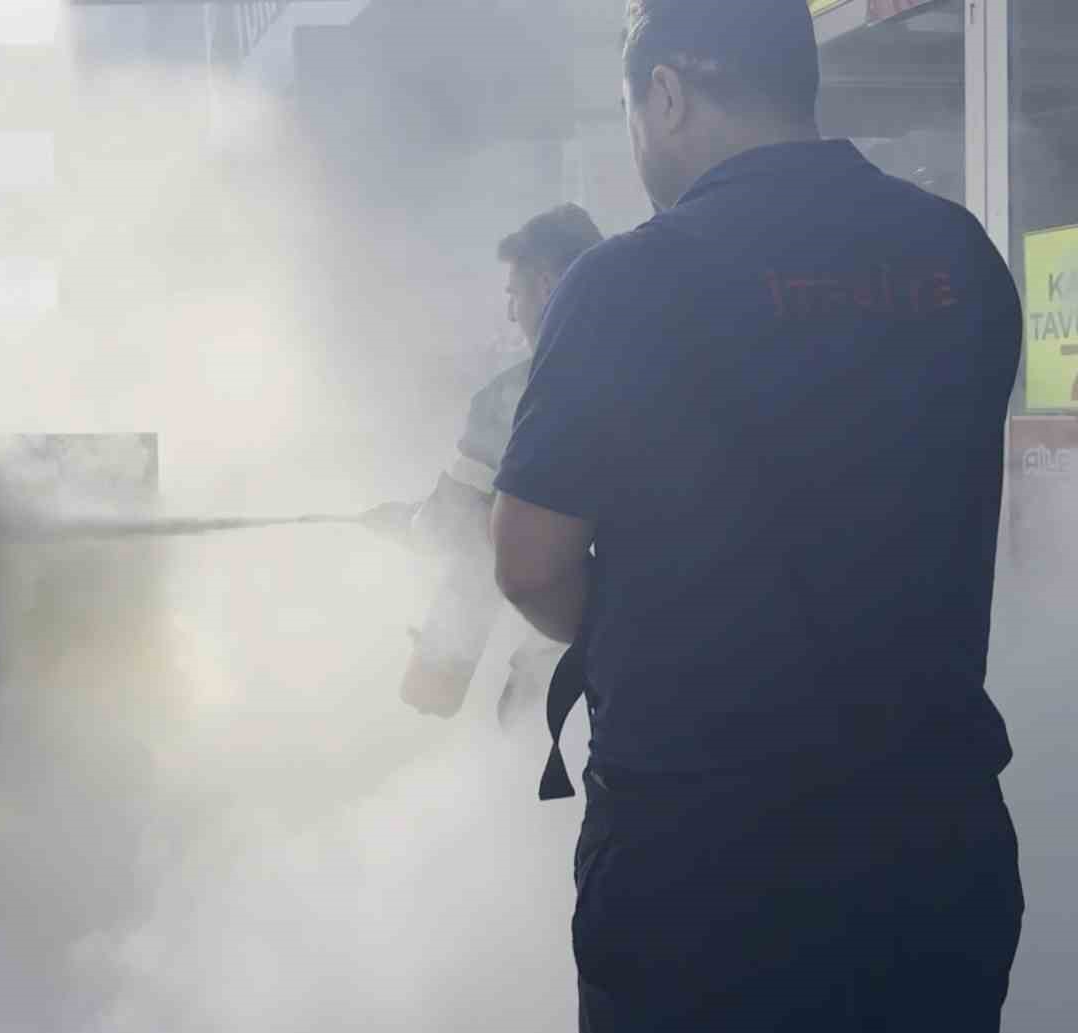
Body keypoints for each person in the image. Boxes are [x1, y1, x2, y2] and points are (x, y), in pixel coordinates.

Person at [490, 1, 1024, 1029]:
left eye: (633, 111)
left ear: (667, 92)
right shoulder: (960, 260)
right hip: (929, 856)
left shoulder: (626, 281)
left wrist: (630, 622)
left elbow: (526, 561)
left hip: (702, 875)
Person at [367, 204, 603, 726]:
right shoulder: (657, 366)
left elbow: (460, 529)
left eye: (512, 295)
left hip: (560, 677)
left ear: (544, 285)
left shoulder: (514, 396)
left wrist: (404, 523)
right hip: (664, 659)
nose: (509, 314)